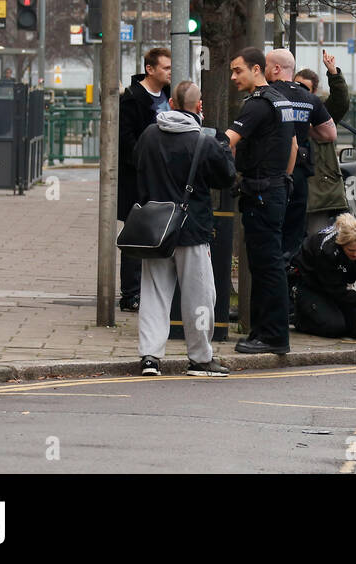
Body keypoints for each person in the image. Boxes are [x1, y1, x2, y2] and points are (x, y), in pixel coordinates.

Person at [132, 81, 237, 376]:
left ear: (172, 105)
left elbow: (136, 166)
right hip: (192, 229)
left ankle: (150, 358)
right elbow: (226, 178)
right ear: (198, 106)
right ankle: (201, 358)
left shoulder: (149, 135)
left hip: (155, 228)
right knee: (200, 298)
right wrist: (225, 148)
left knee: (153, 294)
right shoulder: (204, 141)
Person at [225, 47, 294, 354]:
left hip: (262, 194)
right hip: (275, 189)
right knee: (270, 265)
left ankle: (272, 336)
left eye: (237, 70)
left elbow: (227, 142)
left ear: (257, 69)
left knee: (266, 267)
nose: (233, 77)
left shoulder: (256, 105)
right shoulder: (280, 100)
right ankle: (264, 332)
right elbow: (292, 146)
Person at [265, 48, 336, 259]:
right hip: (299, 175)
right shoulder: (309, 98)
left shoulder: (267, 95)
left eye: (267, 66)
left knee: (271, 233)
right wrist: (304, 127)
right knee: (294, 234)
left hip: (273, 173)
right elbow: (330, 134)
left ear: (277, 68)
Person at [117, 47, 172, 312]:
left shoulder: (169, 94)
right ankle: (131, 293)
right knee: (136, 231)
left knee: (159, 231)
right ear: (150, 69)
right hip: (138, 177)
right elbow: (125, 139)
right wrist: (144, 160)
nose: (170, 72)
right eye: (166, 68)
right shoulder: (132, 98)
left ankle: (153, 289)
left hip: (163, 176)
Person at [289, 213, 356, 338]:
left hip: (337, 283)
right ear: (341, 245)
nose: (355, 255)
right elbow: (336, 291)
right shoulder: (328, 250)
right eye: (351, 250)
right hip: (312, 284)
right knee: (334, 327)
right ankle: (299, 317)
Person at [297, 52, 351, 235]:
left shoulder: (322, 114)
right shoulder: (285, 110)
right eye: (295, 86)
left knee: (315, 240)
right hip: (294, 189)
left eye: (304, 88)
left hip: (318, 194)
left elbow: (341, 101)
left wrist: (333, 73)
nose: (299, 91)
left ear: (313, 93)